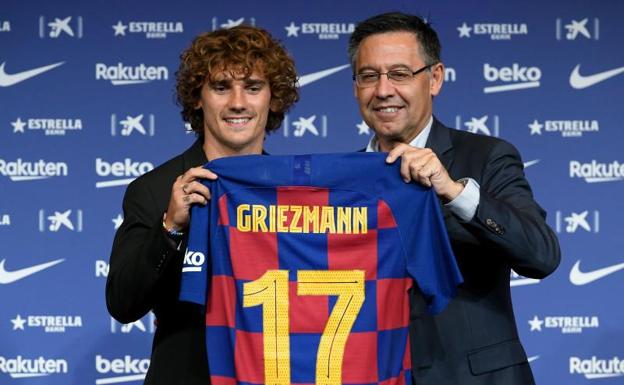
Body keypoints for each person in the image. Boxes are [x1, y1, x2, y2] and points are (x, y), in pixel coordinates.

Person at [349, 12, 560, 385]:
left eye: (399, 74)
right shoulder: (342, 181)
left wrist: (454, 191)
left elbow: (541, 255)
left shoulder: (487, 156)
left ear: (435, 78)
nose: (383, 91)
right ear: (356, 87)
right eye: (369, 76)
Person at [106, 25, 298, 385]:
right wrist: (170, 227)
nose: (238, 102)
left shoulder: (292, 191)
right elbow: (122, 303)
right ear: (197, 97)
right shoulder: (154, 189)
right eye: (221, 87)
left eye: (253, 87)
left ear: (273, 98)